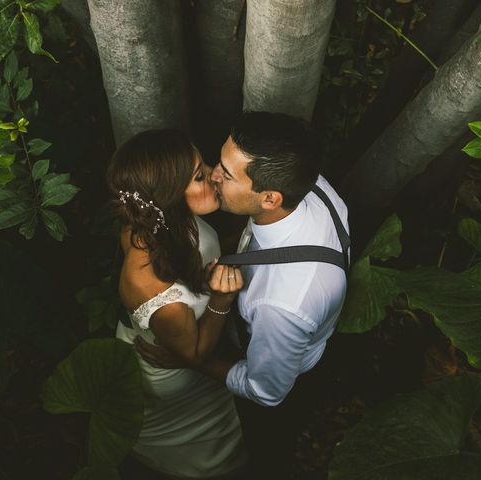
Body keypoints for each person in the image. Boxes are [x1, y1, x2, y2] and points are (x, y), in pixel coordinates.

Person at [137, 111, 349, 479]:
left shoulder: (283, 304)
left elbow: (265, 391)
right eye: (219, 161)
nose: (213, 174)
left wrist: (190, 359)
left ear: (269, 198)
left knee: (265, 457)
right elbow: (259, 240)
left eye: (227, 174)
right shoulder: (312, 187)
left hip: (276, 376)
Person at [108, 129, 248, 479]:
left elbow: (205, 249)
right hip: (177, 375)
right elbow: (197, 353)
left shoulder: (164, 223)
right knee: (207, 453)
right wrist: (220, 299)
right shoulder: (152, 287)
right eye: (200, 175)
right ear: (170, 197)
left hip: (186, 348)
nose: (216, 174)